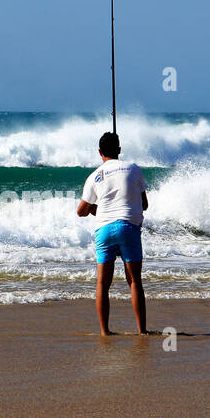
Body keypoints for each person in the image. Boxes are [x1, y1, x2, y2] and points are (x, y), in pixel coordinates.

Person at [76, 132, 148, 336]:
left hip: (105, 230)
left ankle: (105, 331)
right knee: (134, 281)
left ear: (100, 152)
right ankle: (141, 331)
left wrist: (94, 208)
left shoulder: (95, 176)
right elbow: (144, 204)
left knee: (102, 283)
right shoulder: (134, 169)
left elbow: (81, 211)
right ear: (119, 150)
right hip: (129, 228)